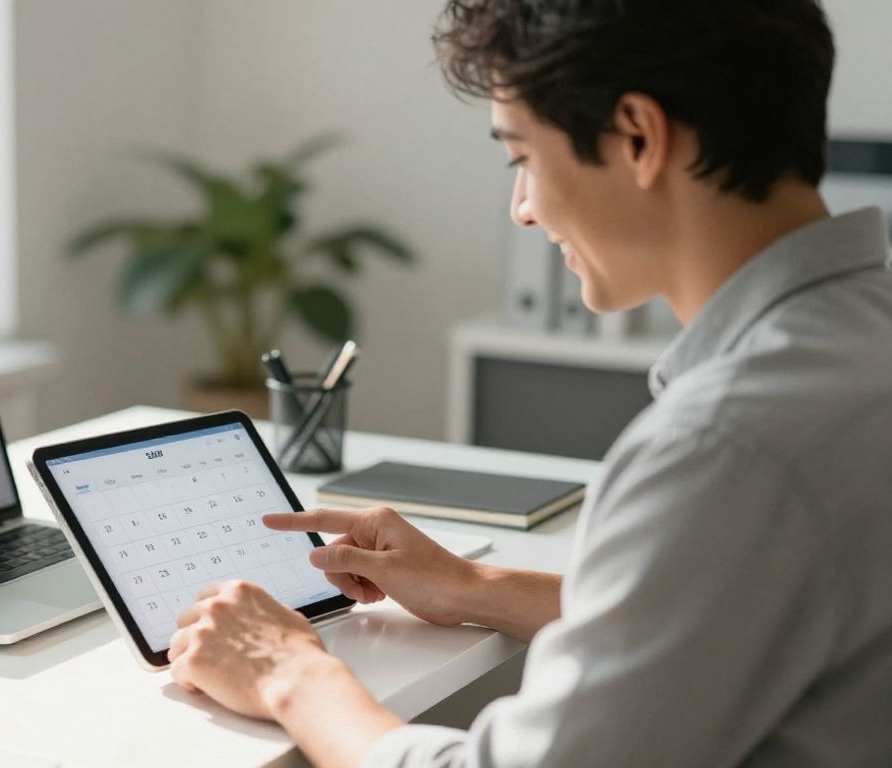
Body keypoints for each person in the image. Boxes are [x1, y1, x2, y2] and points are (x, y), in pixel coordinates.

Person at [166, 1, 892, 766]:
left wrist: (291, 674)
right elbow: (735, 613)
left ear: (639, 138)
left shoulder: (729, 444)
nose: (521, 209)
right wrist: (471, 584)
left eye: (521, 157)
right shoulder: (858, 344)